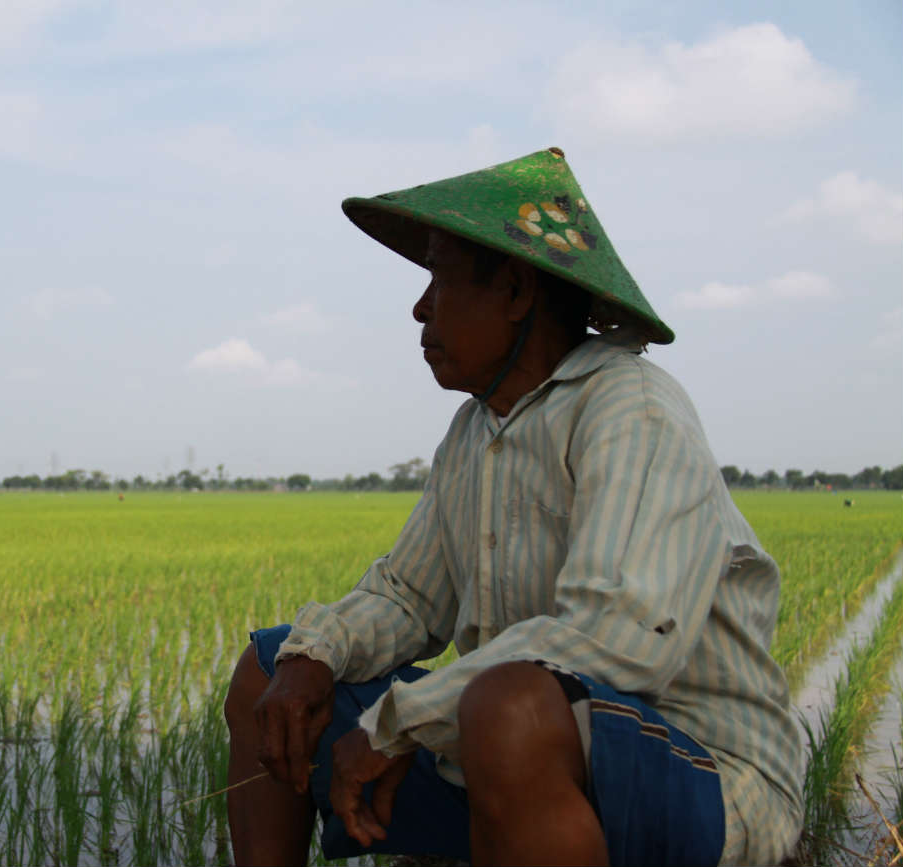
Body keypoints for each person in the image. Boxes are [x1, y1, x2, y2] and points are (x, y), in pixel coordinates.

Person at [223, 148, 803, 866]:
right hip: (518, 746)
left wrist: (395, 724)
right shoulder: (475, 431)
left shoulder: (631, 409)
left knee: (509, 709)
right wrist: (312, 658)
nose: (420, 306)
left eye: (439, 275)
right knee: (268, 672)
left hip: (703, 772)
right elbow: (407, 599)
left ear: (517, 289)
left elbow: (614, 637)